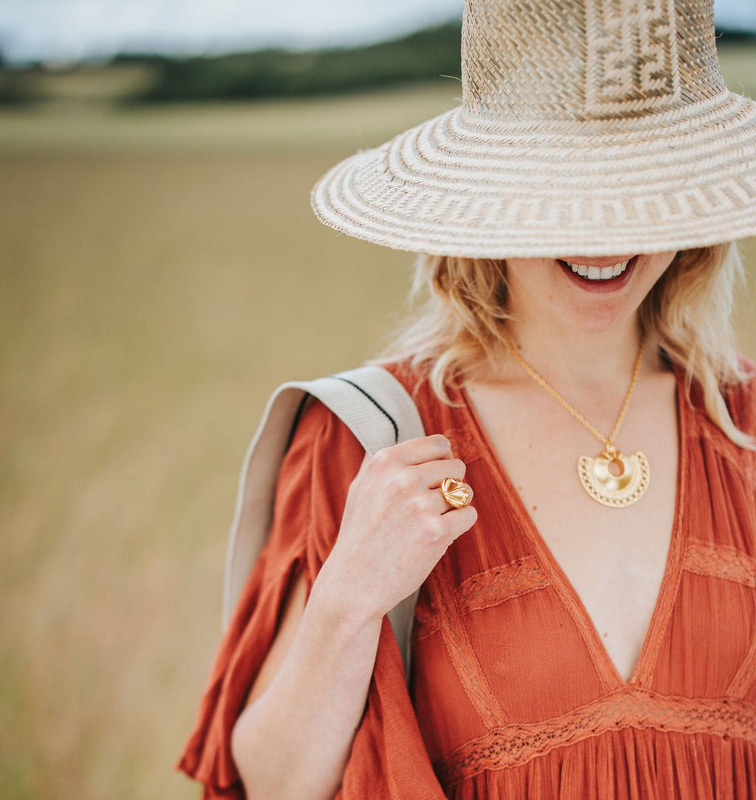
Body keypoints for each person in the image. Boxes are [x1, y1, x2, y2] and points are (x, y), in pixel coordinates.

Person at [179, 0, 756, 797]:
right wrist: (347, 601)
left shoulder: (746, 427)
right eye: (560, 188)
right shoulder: (370, 437)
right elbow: (272, 782)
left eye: (638, 187)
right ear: (491, 201)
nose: (604, 238)